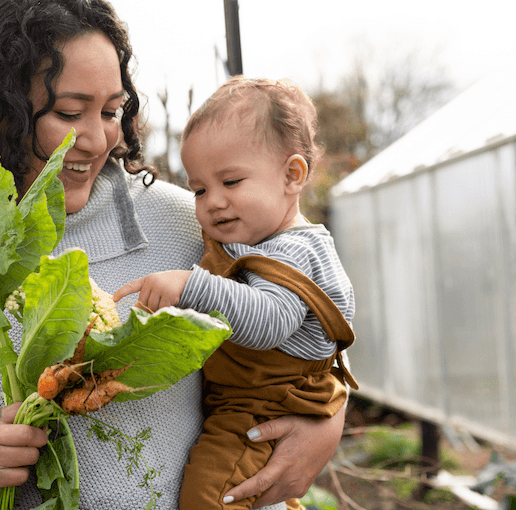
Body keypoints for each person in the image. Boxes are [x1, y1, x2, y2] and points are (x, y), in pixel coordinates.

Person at [0, 1, 345, 509]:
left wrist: (327, 423)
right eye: (69, 111)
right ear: (0, 108)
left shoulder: (193, 224)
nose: (98, 138)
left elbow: (309, 331)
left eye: (110, 110)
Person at [113, 76, 357, 509]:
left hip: (261, 410)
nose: (213, 203)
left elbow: (268, 322)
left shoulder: (293, 251)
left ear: (292, 175)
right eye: (200, 190)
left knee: (210, 494)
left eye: (231, 182)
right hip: (254, 404)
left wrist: (192, 285)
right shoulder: (262, 243)